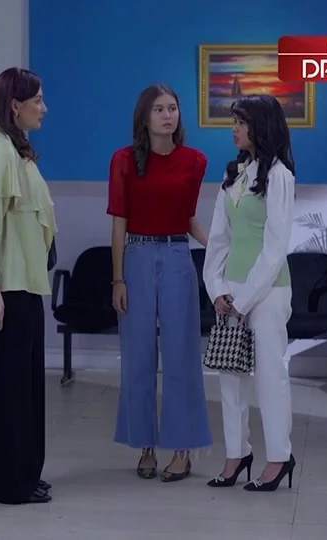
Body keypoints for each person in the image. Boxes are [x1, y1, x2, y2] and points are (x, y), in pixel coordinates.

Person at [107, 84, 212, 482]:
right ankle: (145, 446)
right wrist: (117, 279)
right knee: (138, 358)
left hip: (176, 256)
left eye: (173, 108)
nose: (168, 115)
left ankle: (183, 449)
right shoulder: (123, 160)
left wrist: (219, 248)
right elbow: (118, 223)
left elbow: (188, 218)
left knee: (181, 356)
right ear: (144, 117)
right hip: (135, 258)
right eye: (159, 109)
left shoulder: (195, 161)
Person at [0, 67, 56, 505]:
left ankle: (24, 473)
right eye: (37, 100)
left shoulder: (15, 147)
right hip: (4, 289)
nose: (44, 108)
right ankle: (6, 483)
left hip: (24, 285)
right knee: (9, 390)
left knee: (27, 387)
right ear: (15, 105)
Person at [202, 94, 297, 492]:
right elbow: (218, 240)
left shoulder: (279, 177)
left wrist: (243, 301)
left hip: (268, 292)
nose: (234, 129)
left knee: (270, 376)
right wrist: (218, 289)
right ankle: (236, 454)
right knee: (229, 375)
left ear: (261, 126)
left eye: (240, 122)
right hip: (232, 290)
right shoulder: (235, 176)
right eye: (234, 122)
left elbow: (275, 248)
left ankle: (278, 457)